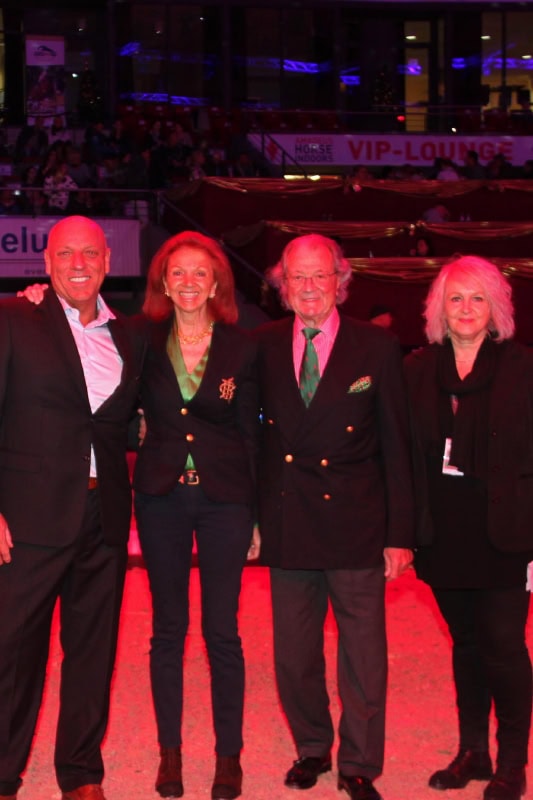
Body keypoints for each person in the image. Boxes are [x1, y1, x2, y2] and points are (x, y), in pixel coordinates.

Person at [255, 234, 414, 800]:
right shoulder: (262, 345)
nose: (309, 287)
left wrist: (400, 534)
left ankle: (359, 763)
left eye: (319, 275)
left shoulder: (377, 346)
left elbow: (397, 445)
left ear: (340, 280)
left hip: (357, 521)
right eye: (297, 277)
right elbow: (253, 441)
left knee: (363, 654)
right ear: (283, 286)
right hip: (289, 519)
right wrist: (253, 518)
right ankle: (312, 746)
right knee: (294, 654)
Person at [0, 216, 145, 800]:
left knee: (92, 651)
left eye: (90, 253)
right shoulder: (15, 317)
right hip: (28, 518)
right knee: (13, 650)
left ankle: (81, 772)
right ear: (46, 263)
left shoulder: (130, 336)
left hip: (103, 518)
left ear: (108, 261)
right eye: (65, 254)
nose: (78, 264)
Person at [133, 231, 260, 800]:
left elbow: (252, 435)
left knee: (222, 631)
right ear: (164, 281)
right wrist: (39, 297)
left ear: (215, 284)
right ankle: (170, 754)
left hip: (225, 502)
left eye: (199, 273)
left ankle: (228, 757)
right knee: (167, 630)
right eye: (177, 272)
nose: (188, 282)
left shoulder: (243, 348)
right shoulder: (140, 338)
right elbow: (82, 328)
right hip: (160, 499)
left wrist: (257, 516)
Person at [404, 255, 533, 800]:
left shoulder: (523, 368)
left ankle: (512, 763)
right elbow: (405, 454)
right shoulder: (416, 369)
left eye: (478, 298)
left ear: (496, 307)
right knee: (466, 643)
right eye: (455, 298)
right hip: (444, 528)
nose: (465, 308)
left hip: (507, 530)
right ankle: (473, 751)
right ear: (438, 307)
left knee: (503, 644)